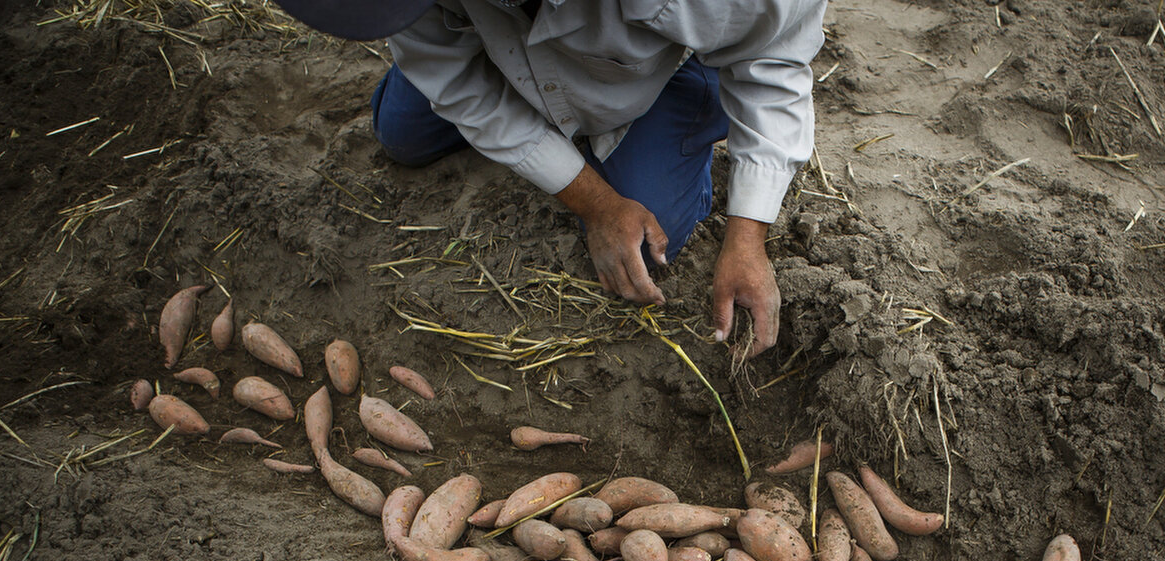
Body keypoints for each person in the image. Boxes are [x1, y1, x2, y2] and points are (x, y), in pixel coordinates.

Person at [273, 0, 827, 360]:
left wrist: (748, 236)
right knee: (402, 137)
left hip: (666, 61)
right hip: (498, 33)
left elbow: (772, 62)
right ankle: (491, 45)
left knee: (656, 237)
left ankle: (685, 96)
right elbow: (454, 80)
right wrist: (597, 202)